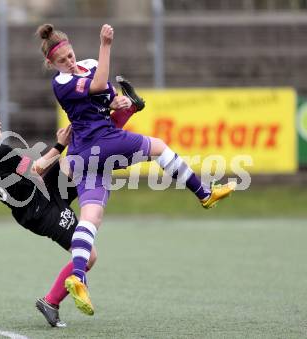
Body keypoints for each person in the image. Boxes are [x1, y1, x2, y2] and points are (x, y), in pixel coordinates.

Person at [36, 23, 236, 316]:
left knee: (92, 218)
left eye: (69, 54)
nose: (68, 61)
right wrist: (105, 45)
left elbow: (107, 99)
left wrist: (122, 102)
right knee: (158, 147)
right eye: (62, 60)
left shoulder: (87, 64)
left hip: (86, 154)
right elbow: (96, 86)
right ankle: (204, 193)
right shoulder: (62, 83)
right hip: (99, 142)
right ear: (51, 64)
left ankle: (77, 277)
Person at [0, 96, 144, 326]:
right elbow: (36, 170)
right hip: (40, 211)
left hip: (40, 198)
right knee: (89, 256)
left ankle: (128, 110)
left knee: (78, 159)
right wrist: (59, 145)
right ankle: (50, 302)